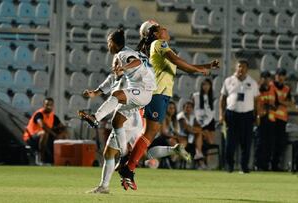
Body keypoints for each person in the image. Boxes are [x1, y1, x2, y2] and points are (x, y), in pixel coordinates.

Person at [118, 20, 219, 190]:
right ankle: (128, 167)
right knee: (149, 133)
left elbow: (182, 65)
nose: (165, 28)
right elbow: (178, 62)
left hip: (161, 94)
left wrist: (205, 67)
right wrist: (200, 69)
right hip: (156, 93)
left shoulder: (160, 46)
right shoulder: (159, 43)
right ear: (155, 34)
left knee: (150, 134)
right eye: (161, 28)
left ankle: (127, 165)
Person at [78, 29, 156, 163]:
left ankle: (95, 118)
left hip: (141, 100)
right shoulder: (113, 77)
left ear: (113, 43)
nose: (113, 64)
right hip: (129, 111)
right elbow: (99, 91)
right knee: (113, 148)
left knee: (117, 95)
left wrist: (124, 68)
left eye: (109, 42)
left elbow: (136, 62)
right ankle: (125, 159)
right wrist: (92, 93)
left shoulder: (124, 54)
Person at [219, 60, 259, 173]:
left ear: (247, 69)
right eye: (239, 66)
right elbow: (222, 99)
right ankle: (229, 166)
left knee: (246, 143)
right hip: (232, 114)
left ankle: (244, 167)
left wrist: (257, 116)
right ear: (236, 68)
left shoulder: (252, 82)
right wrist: (221, 114)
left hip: (247, 115)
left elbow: (256, 101)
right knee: (230, 142)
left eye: (244, 67)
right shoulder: (228, 81)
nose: (241, 69)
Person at [22, 97, 67, 164]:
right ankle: (41, 157)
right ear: (43, 105)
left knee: (64, 133)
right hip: (31, 137)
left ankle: (61, 158)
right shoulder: (39, 114)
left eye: (50, 105)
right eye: (47, 104)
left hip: (44, 137)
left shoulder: (53, 117)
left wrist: (61, 133)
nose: (49, 106)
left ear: (53, 106)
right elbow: (42, 126)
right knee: (44, 133)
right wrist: (54, 134)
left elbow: (62, 126)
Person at [270, 68, 292, 171]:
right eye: (279, 75)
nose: (280, 77)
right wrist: (283, 102)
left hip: (282, 119)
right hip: (271, 118)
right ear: (276, 76)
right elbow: (275, 102)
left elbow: (290, 103)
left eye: (282, 75)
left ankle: (275, 165)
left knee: (279, 143)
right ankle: (266, 164)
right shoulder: (271, 86)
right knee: (270, 142)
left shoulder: (287, 89)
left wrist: (281, 102)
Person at [254, 71, 276, 171]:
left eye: (268, 78)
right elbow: (254, 103)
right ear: (261, 79)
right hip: (261, 118)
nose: (267, 80)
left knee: (269, 143)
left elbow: (276, 103)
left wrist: (272, 106)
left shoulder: (272, 89)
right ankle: (258, 164)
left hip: (271, 119)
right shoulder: (257, 90)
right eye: (265, 78)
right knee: (260, 143)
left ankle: (266, 165)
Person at [192, 79, 216, 167]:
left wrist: (207, 121)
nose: (206, 87)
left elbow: (211, 111)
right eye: (204, 85)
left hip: (210, 121)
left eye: (208, 85)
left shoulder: (211, 97)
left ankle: (206, 162)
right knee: (200, 136)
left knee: (210, 141)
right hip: (199, 121)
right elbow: (195, 109)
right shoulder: (196, 96)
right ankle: (199, 158)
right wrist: (200, 121)